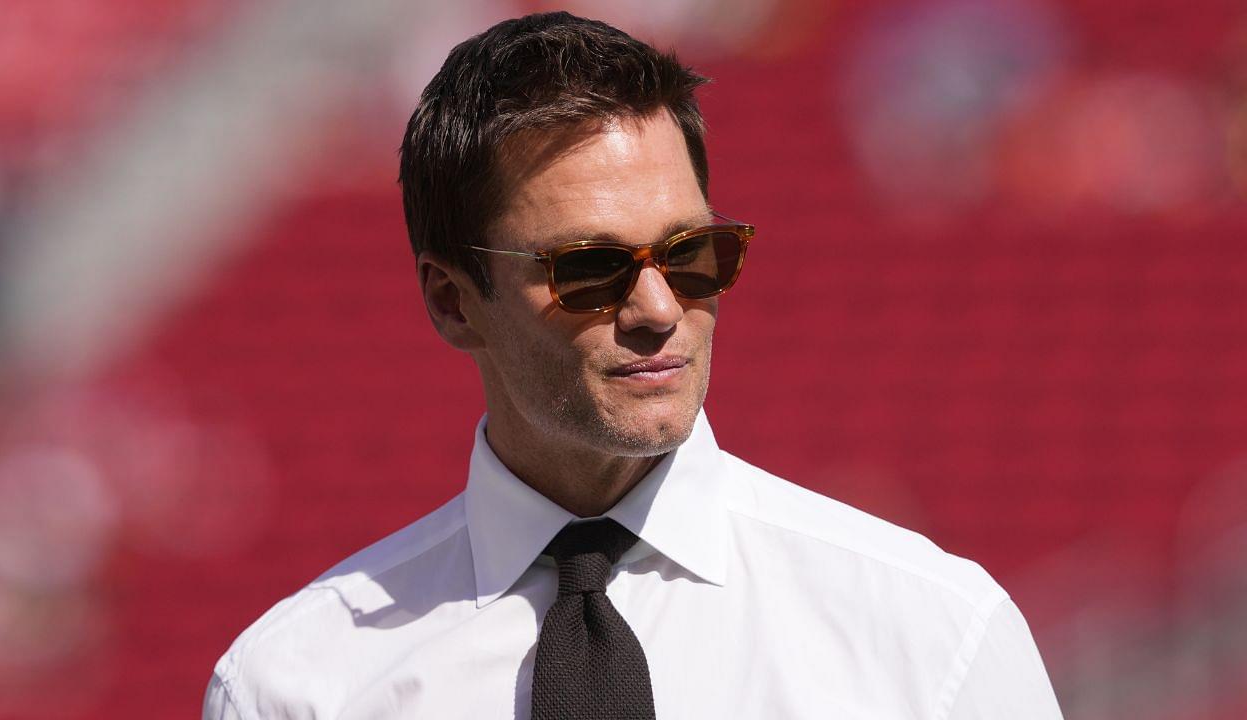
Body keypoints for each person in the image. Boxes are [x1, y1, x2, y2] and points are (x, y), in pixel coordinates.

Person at [203, 11, 1063, 719]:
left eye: (694, 253)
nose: (658, 309)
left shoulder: (931, 636)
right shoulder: (297, 686)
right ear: (453, 300)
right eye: (588, 269)